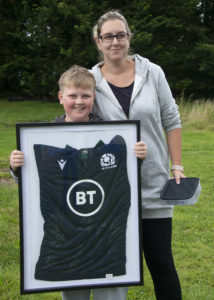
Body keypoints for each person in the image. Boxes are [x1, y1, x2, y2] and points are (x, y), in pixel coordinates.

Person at [10, 65, 147, 300]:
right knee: (74, 293)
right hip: (67, 242)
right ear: (61, 97)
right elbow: (33, 181)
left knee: (111, 293)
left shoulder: (113, 135)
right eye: (72, 96)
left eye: (86, 96)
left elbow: (122, 179)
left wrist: (137, 158)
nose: (79, 102)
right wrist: (16, 167)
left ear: (94, 98)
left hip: (106, 240)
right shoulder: (45, 137)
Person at [91, 10, 185, 300]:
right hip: (112, 191)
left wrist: (177, 165)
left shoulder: (152, 72)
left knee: (161, 263)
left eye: (121, 35)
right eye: (108, 36)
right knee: (116, 269)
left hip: (153, 183)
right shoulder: (90, 79)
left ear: (129, 37)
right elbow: (77, 122)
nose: (115, 41)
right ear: (98, 41)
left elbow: (171, 118)